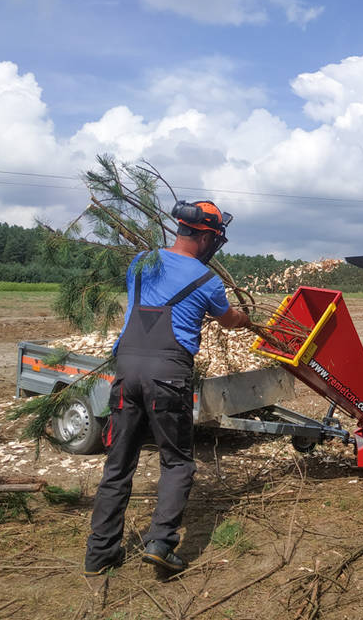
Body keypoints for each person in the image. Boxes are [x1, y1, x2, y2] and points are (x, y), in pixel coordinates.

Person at [84, 200, 251, 576]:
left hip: (125, 372)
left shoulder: (141, 263)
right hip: (168, 376)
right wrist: (244, 317)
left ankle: (99, 554)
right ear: (207, 237)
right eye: (216, 239)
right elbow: (228, 320)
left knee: (118, 464)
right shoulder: (207, 280)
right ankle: (161, 543)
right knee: (176, 462)